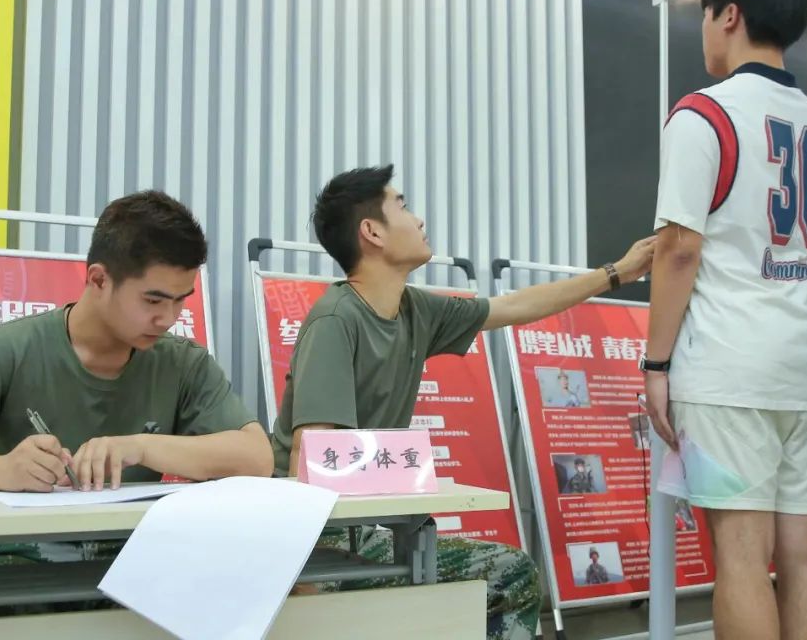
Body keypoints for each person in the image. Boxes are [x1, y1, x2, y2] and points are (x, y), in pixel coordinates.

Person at [271, 164, 655, 639]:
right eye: (402, 206)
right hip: (319, 538)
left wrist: (616, 273)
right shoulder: (335, 320)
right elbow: (308, 458)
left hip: (370, 528)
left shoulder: (415, 309)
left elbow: (514, 307)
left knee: (509, 571)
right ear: (372, 232)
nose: (418, 219)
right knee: (500, 575)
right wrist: (301, 575)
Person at [0, 190, 273, 619]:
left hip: (131, 563)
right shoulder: (6, 352)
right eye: (153, 300)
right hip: (18, 562)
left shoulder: (182, 364)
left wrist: (139, 447)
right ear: (98, 280)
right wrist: (2, 471)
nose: (169, 318)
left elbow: (256, 457)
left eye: (181, 300)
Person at [643, 0, 807, 640]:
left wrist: (656, 364)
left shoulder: (704, 113)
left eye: (705, 15)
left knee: (740, 556)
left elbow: (679, 248)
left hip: (730, 365)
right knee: (805, 551)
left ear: (728, 15)